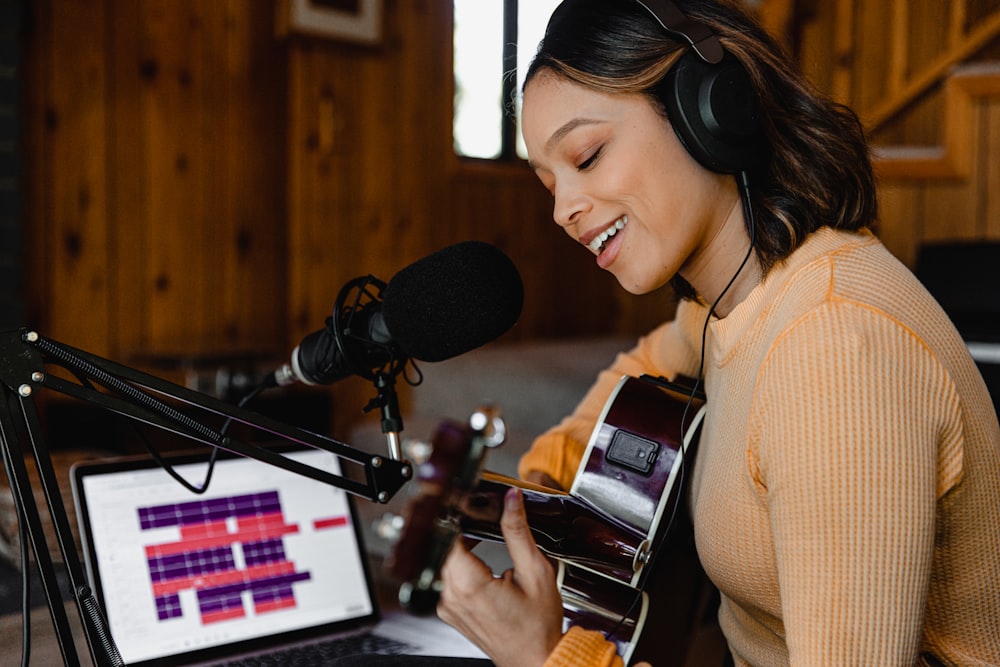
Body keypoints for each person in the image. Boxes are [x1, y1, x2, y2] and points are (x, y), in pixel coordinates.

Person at [430, 0, 1000, 666]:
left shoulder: (836, 346)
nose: (563, 210)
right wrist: (535, 483)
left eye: (586, 156)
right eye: (549, 183)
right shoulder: (730, 304)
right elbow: (644, 364)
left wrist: (541, 654)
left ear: (709, 109)